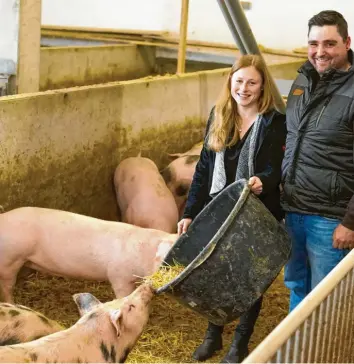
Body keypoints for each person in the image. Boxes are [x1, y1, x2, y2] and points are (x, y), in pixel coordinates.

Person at [177, 54, 287, 363]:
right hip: (220, 208)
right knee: (218, 274)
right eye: (239, 81)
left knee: (249, 277)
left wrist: (262, 180)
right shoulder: (219, 116)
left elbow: (277, 168)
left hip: (257, 212)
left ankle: (240, 342)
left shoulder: (274, 122)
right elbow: (204, 168)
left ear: (262, 85)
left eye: (252, 82)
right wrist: (189, 213)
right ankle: (213, 336)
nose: (244, 88)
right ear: (230, 82)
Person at [281, 9, 354, 313]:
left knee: (325, 298)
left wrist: (350, 221)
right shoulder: (302, 80)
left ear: (347, 42)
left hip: (329, 218)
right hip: (293, 210)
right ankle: (296, 353)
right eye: (313, 43)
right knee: (297, 283)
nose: (319, 52)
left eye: (329, 44)